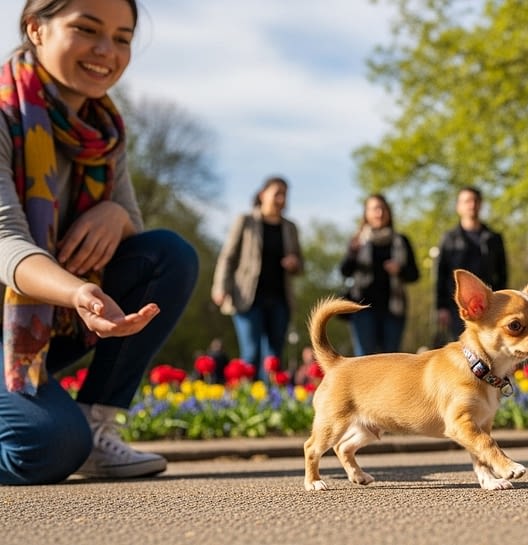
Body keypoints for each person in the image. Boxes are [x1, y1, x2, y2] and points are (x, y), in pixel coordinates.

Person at [0, 0, 199, 485]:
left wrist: (115, 215)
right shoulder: (5, 114)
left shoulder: (104, 133)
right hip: (28, 313)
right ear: (36, 28)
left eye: (122, 38)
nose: (106, 51)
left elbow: (135, 232)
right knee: (46, 446)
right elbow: (6, 242)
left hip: (40, 326)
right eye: (87, 29)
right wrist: (76, 291)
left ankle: (97, 424)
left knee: (169, 254)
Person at [211, 176, 303, 380]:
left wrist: (294, 263)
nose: (281, 199)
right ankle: (247, 396)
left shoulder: (290, 228)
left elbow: (300, 264)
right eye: (277, 193)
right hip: (248, 298)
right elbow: (228, 256)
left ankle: (270, 397)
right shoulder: (246, 221)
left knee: (274, 356)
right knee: (251, 352)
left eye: (285, 194)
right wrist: (220, 287)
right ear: (262, 194)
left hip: (280, 299)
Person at [339, 194, 419, 355]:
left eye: (383, 208)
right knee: (365, 357)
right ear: (366, 213)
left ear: (388, 212)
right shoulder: (358, 241)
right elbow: (345, 271)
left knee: (391, 358)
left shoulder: (401, 241)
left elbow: (414, 275)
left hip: (393, 309)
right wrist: (352, 253)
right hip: (362, 307)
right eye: (375, 209)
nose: (379, 213)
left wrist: (399, 270)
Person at [435, 186, 507, 341]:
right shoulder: (448, 239)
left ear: (480, 205)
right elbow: (441, 275)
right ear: (458, 207)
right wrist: (441, 307)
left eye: (475, 201)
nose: (472, 205)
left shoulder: (494, 238)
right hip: (456, 308)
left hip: (489, 307)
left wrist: (502, 304)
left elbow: (502, 275)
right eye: (467, 201)